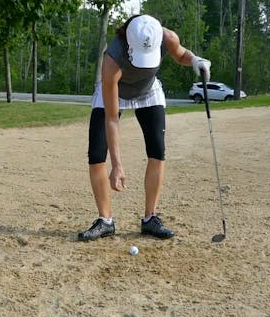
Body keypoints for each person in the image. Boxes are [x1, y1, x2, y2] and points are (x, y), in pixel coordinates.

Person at [78, 14, 211, 241]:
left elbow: (180, 55)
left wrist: (195, 60)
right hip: (114, 93)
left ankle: (151, 218)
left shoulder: (166, 37)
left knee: (157, 150)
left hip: (148, 92)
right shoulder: (112, 60)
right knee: (97, 154)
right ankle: (105, 220)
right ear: (129, 42)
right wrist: (117, 165)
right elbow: (112, 119)